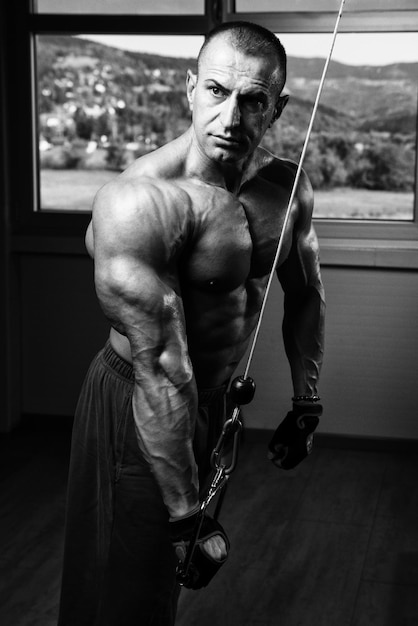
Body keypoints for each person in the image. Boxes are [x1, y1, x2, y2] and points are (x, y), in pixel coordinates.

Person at [57, 20, 325, 626]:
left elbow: (306, 291)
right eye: (216, 91)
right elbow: (159, 363)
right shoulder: (141, 203)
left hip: (212, 400)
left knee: (160, 590)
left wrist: (307, 401)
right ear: (189, 89)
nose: (231, 116)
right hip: (138, 397)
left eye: (254, 99)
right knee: (123, 590)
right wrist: (184, 515)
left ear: (277, 107)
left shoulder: (286, 189)